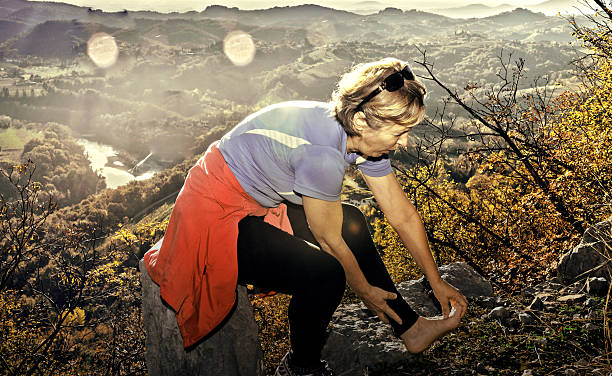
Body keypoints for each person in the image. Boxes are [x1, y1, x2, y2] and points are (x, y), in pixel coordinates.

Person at [144, 57, 468, 376]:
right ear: (361, 122)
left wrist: (435, 280)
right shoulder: (323, 154)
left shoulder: (361, 136)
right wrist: (364, 290)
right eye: (400, 132)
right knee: (325, 273)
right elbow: (329, 239)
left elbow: (401, 215)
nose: (405, 141)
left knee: (351, 221)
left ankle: (410, 329)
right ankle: (301, 368)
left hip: (254, 200)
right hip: (215, 209)